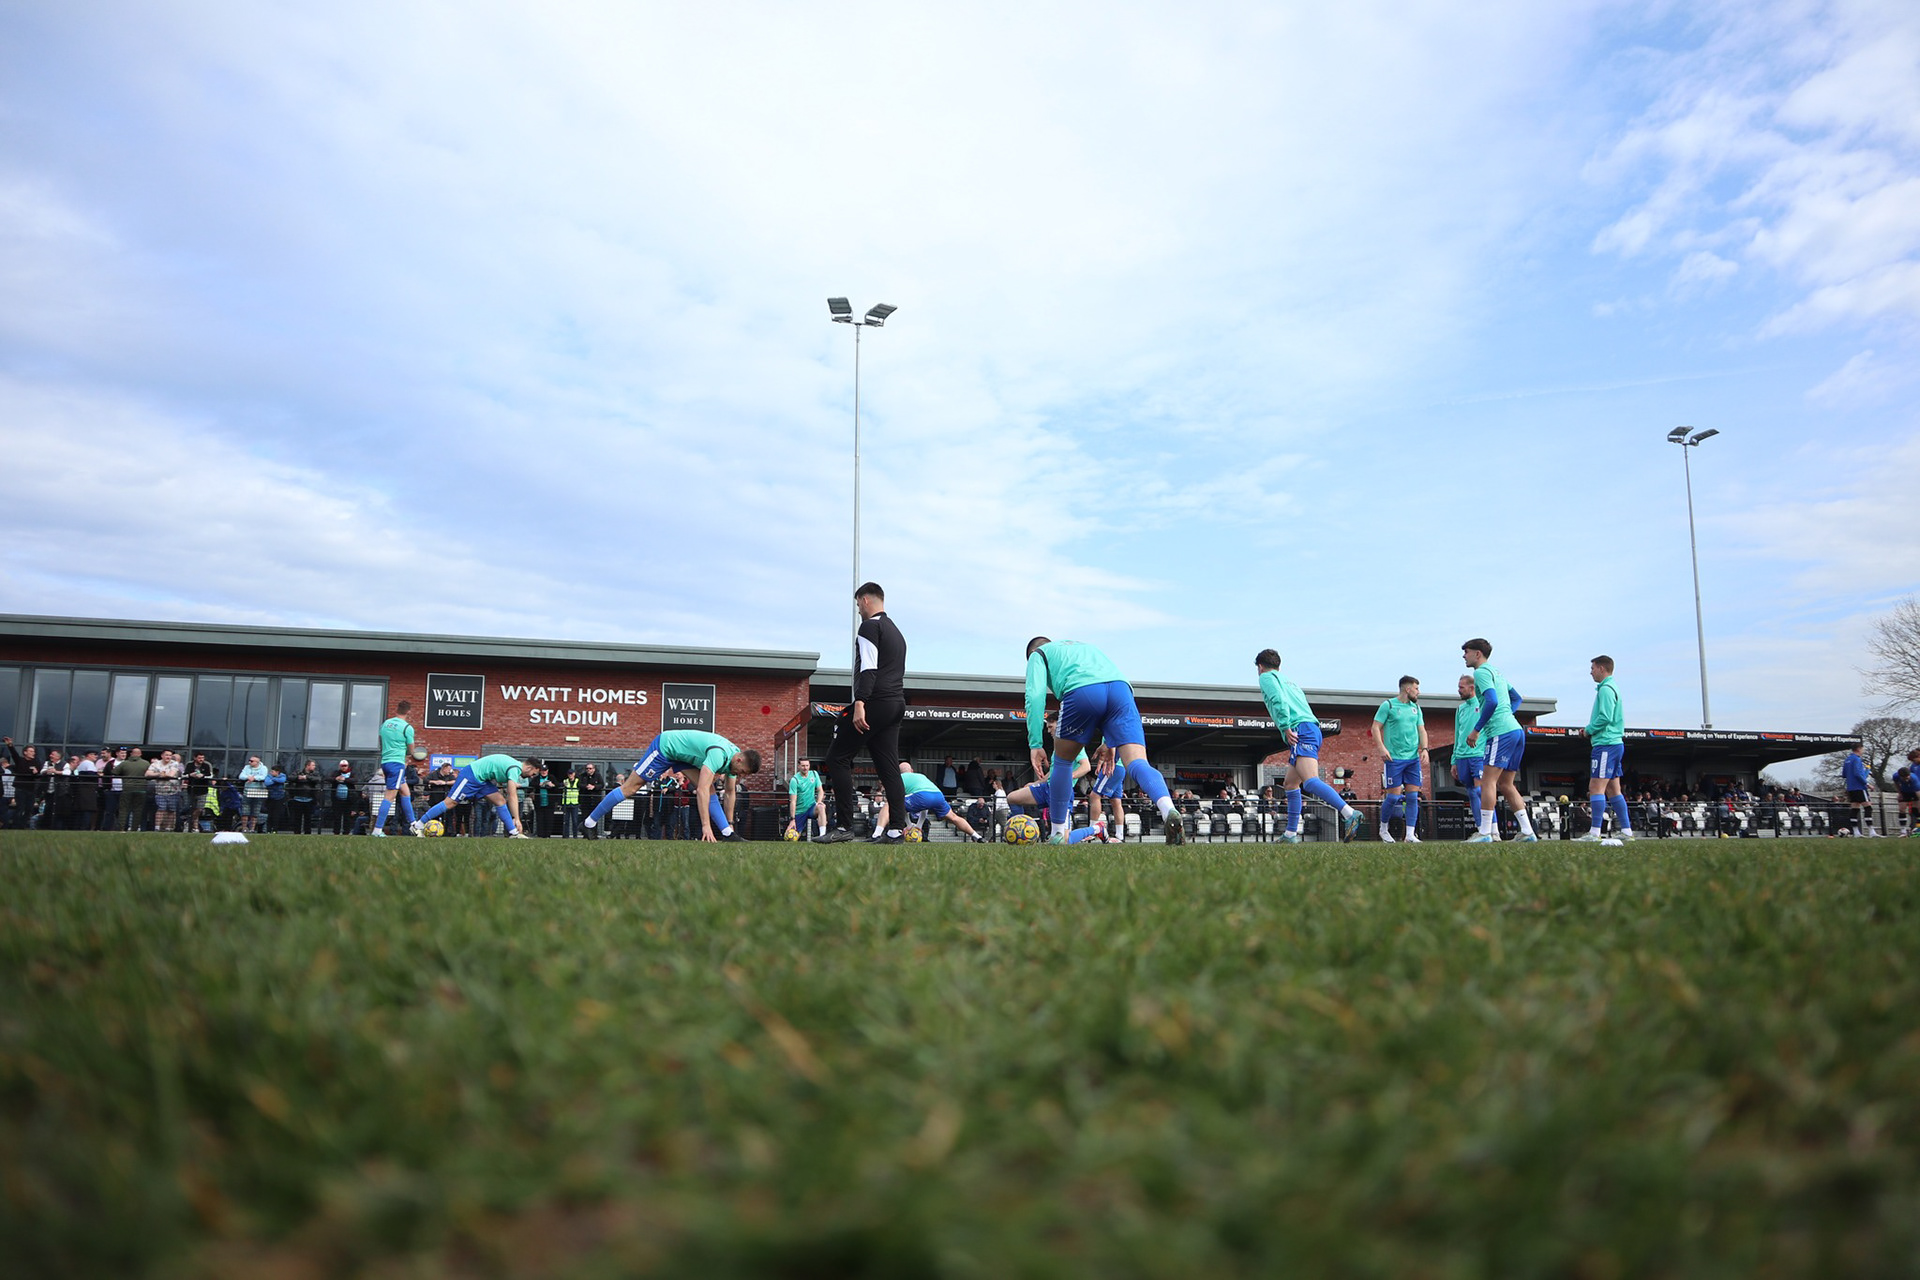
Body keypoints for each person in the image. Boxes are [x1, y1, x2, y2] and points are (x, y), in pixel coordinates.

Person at [1024, 636, 1185, 846]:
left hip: (1081, 690)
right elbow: (1105, 687)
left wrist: (1035, 743)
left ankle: (1057, 833)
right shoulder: (1085, 648)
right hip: (1122, 691)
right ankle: (1168, 810)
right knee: (1137, 763)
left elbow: (1034, 696)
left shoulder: (1039, 654)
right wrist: (1108, 741)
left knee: (1063, 762)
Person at [821, 583, 909, 843]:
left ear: (866, 600)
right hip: (896, 704)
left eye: (858, 603)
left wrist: (860, 702)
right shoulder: (897, 632)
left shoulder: (870, 626)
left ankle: (844, 826)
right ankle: (895, 831)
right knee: (888, 767)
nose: (858, 608)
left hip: (875, 702)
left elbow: (868, 667)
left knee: (837, 757)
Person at [1255, 650, 1365, 844]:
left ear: (1260, 666)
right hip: (1311, 727)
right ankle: (1290, 835)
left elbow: (1278, 701)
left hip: (1300, 728)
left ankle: (1349, 813)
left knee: (1310, 781)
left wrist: (1285, 726)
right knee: (1290, 784)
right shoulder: (1290, 682)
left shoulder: (1266, 677)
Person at [582, 731, 760, 842]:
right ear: (739, 759)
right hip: (665, 748)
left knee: (712, 790)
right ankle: (589, 823)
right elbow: (702, 790)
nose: (741, 776)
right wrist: (706, 826)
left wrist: (730, 825)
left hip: (683, 757)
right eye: (742, 771)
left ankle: (727, 834)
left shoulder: (734, 760)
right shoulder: (718, 754)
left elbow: (730, 793)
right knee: (631, 788)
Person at [1460, 638, 1539, 844]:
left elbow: (1493, 701)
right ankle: (1528, 832)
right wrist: (1507, 714)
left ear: (1478, 654)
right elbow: (1517, 698)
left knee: (1488, 781)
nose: (1463, 656)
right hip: (1515, 730)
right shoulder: (1497, 672)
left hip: (1501, 732)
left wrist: (1476, 730)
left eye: (1466, 652)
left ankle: (1485, 833)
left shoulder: (1481, 672)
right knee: (1506, 783)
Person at [1574, 655, 1634, 844]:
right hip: (1614, 744)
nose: (1590, 671)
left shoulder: (1606, 690)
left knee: (1595, 787)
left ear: (1601, 668)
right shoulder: (1611, 688)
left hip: (1606, 744)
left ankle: (1594, 832)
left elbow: (1605, 717)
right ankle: (1626, 830)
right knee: (1613, 789)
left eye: (1592, 667)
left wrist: (1588, 731)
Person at [411, 754, 537, 838]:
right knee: (450, 802)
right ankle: (417, 826)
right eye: (533, 773)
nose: (532, 776)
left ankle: (513, 833)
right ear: (529, 767)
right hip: (471, 775)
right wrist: (517, 818)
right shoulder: (515, 769)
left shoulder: (514, 766)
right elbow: (512, 795)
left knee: (500, 801)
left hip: (482, 780)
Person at [1371, 676, 1429, 844]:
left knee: (1412, 797)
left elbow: (1422, 730)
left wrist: (1424, 749)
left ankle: (1410, 834)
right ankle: (1383, 829)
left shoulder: (1416, 708)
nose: (1419, 692)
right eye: (1416, 688)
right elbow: (1375, 727)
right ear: (1407, 689)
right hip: (1394, 759)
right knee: (1393, 798)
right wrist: (1381, 747)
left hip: (1412, 759)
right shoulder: (1388, 705)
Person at [870, 762, 988, 841]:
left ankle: (876, 835)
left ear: (899, 772)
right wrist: (918, 825)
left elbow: (897, 804)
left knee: (889, 804)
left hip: (921, 796)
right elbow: (924, 805)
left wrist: (910, 824)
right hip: (937, 795)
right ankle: (976, 836)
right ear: (911, 770)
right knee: (954, 817)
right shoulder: (921, 776)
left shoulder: (899, 778)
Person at [1449, 675, 1489, 835]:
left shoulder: (1484, 704)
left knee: (1482, 791)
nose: (1458, 690)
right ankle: (1481, 829)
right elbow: (1457, 734)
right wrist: (1454, 760)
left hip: (1479, 754)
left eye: (1461, 687)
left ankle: (1492, 829)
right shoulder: (1460, 709)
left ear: (1472, 688)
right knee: (1472, 792)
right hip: (1462, 756)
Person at [372, 700, 419, 838]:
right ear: (408, 712)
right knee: (390, 795)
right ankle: (377, 829)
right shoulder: (407, 727)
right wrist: (408, 753)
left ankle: (414, 825)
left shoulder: (385, 724)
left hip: (385, 762)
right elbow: (411, 750)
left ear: (397, 709)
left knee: (405, 792)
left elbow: (381, 741)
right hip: (396, 764)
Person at [1842, 744, 1876, 836]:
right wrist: (1867, 784)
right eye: (1862, 749)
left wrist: (1866, 771)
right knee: (1868, 807)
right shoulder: (1857, 759)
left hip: (1851, 788)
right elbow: (1858, 774)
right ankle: (1871, 831)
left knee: (1855, 809)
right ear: (1858, 749)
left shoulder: (1847, 760)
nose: (1863, 751)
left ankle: (1856, 832)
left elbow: (1844, 774)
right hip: (1860, 787)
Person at [787, 758, 824, 840]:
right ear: (799, 766)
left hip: (811, 807)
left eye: (807, 765)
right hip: (799, 811)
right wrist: (792, 819)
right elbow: (793, 801)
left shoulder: (814, 774)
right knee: (791, 838)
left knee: (821, 807)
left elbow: (820, 790)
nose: (805, 768)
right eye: (803, 765)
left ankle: (822, 835)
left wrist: (818, 802)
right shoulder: (794, 780)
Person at [238, 755, 270, 834]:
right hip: (247, 792)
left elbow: (263, 777)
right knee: (245, 811)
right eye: (249, 760)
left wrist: (254, 778)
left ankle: (252, 829)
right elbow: (241, 776)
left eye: (252, 761)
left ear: (257, 762)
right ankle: (244, 828)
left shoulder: (263, 768)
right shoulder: (246, 767)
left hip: (258, 792)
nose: (249, 762)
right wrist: (248, 777)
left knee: (255, 812)